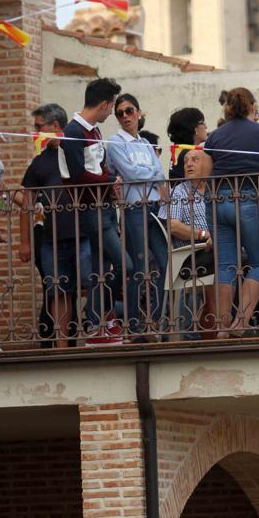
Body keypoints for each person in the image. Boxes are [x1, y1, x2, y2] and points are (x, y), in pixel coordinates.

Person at [203, 87, 259, 337]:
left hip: (217, 201)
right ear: (252, 106)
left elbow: (206, 173)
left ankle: (221, 327)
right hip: (250, 198)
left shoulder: (215, 136)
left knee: (226, 264)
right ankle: (242, 322)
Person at [20, 103, 92, 349]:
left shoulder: (77, 151)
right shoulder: (39, 162)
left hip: (84, 234)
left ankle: (100, 335)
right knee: (57, 291)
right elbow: (27, 202)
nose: (36, 131)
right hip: (51, 239)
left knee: (93, 282)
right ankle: (62, 347)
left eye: (39, 126)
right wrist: (26, 242)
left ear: (55, 126)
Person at [60, 78, 125, 344]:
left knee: (102, 268)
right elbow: (76, 176)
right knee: (125, 265)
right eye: (111, 108)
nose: (112, 114)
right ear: (104, 104)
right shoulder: (74, 131)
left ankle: (100, 323)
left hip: (105, 207)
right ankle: (100, 315)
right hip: (91, 210)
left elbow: (98, 167)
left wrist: (110, 182)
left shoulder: (94, 130)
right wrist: (111, 181)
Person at [107, 92, 167, 337]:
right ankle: (134, 325)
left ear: (139, 113)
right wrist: (150, 172)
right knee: (138, 268)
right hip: (134, 210)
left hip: (154, 208)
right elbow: (131, 174)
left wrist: (147, 172)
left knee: (165, 265)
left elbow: (160, 172)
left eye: (129, 111)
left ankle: (159, 321)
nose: (125, 116)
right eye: (120, 113)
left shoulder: (144, 143)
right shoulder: (114, 142)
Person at [158, 148, 216, 339]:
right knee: (237, 261)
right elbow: (173, 226)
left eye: (195, 160)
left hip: (214, 249)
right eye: (186, 161)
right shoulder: (178, 192)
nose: (189, 164)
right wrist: (204, 234)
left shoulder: (215, 190)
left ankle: (232, 324)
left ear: (207, 164)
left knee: (243, 261)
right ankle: (192, 335)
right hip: (190, 253)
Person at [167, 107, 207, 179]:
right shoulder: (190, 154)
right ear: (195, 129)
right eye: (202, 123)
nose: (206, 127)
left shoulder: (179, 151)